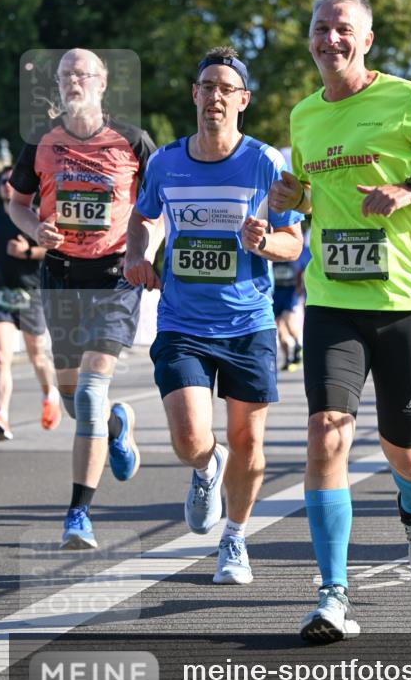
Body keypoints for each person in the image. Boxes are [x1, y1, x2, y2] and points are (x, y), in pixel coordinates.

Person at [269, 0, 411, 641]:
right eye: (318, 28)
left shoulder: (409, 101)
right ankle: (332, 594)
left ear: (365, 40)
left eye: (341, 29)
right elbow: (311, 194)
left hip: (405, 302)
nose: (328, 39)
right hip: (333, 297)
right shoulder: (304, 116)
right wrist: (292, 193)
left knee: (404, 450)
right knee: (327, 432)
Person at [125, 47, 303, 586]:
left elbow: (295, 243)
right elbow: (142, 217)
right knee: (187, 436)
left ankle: (235, 539)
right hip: (182, 322)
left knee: (248, 442)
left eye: (227, 89)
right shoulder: (165, 162)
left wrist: (266, 241)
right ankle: (206, 467)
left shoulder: (266, 162)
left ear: (243, 101)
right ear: (195, 95)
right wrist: (138, 256)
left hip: (248, 323)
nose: (216, 97)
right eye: (207, 86)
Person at [8, 49, 158, 548]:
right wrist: (37, 230)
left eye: (83, 74)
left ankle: (78, 514)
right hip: (60, 278)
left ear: (102, 83)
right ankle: (119, 424)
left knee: (90, 396)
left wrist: (145, 251)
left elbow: (156, 208)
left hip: (115, 279)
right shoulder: (41, 142)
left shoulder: (133, 142)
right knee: (77, 404)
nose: (74, 81)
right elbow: (18, 203)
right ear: (57, 84)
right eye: (65, 75)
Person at [0, 167, 60, 440]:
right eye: (2, 182)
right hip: (3, 294)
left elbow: (53, 248)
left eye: (11, 181)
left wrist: (27, 251)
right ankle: (0, 416)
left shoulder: (36, 217)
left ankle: (49, 392)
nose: (6, 185)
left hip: (32, 295)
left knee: (37, 356)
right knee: (0, 357)